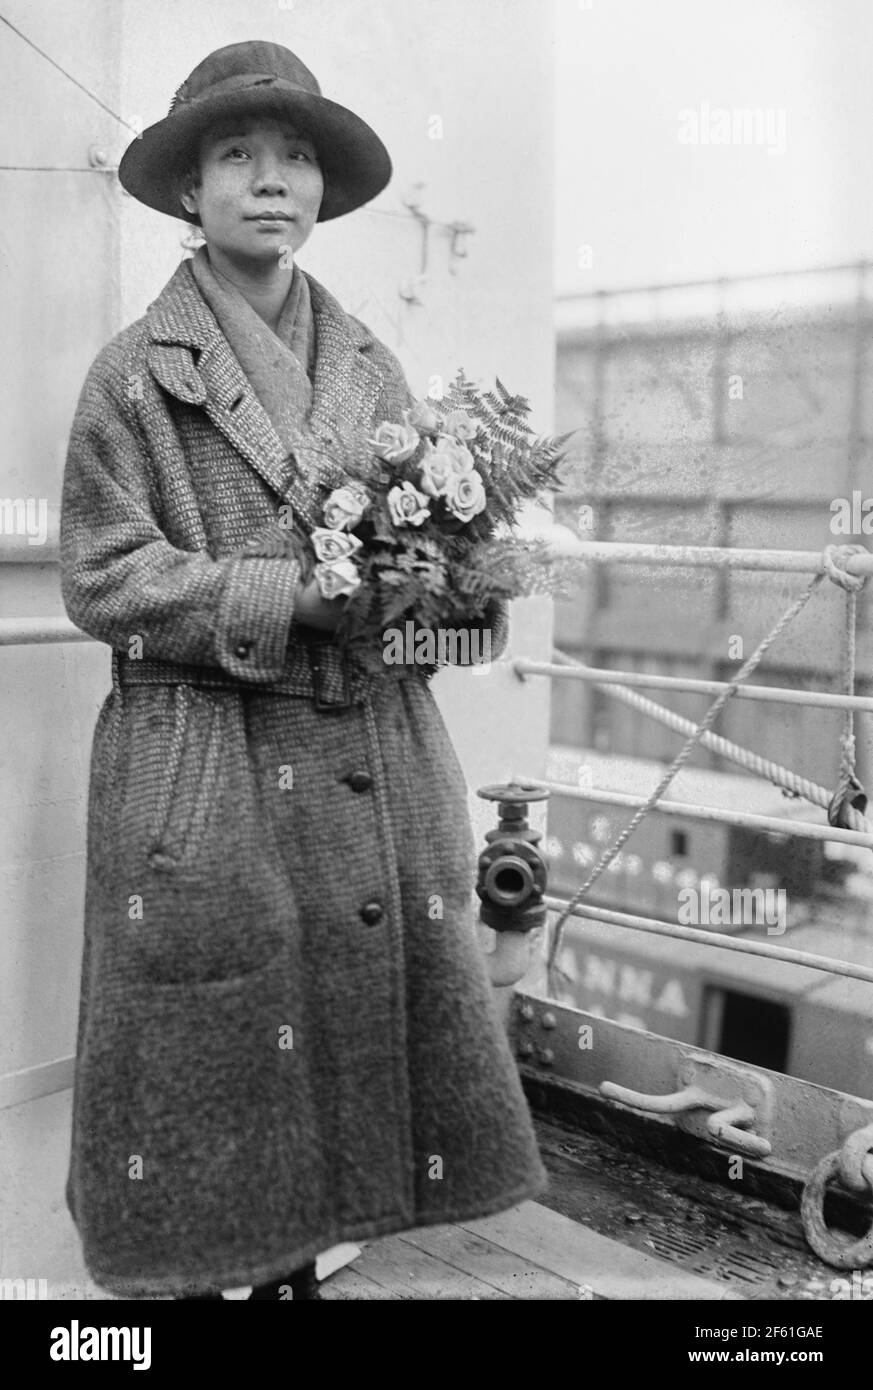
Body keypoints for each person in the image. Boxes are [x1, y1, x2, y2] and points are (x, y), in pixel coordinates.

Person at [60, 39, 547, 1301]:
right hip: (202, 755)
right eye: (238, 155)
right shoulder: (133, 374)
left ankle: (314, 1241)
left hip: (368, 752)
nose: (270, 180)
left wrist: (445, 600)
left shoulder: (374, 364)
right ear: (189, 190)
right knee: (220, 1015)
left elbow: (440, 583)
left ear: (322, 191)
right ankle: (219, 1257)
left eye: (295, 159)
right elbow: (103, 577)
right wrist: (292, 595)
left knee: (346, 1007)